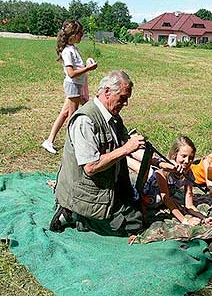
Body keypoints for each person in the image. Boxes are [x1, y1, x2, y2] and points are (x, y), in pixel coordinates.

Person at [49, 70, 146, 236]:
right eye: (123, 98)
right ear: (107, 92)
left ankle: (91, 214)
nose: (126, 104)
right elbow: (90, 167)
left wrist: (160, 163)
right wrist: (126, 149)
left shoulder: (112, 116)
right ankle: (75, 215)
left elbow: (130, 147)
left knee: (138, 209)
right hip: (87, 192)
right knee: (134, 224)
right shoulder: (85, 120)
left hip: (106, 184)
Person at [128, 136, 212, 226]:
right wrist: (185, 220)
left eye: (191, 157)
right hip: (142, 196)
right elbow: (166, 199)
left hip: (156, 203)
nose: (187, 161)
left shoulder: (189, 174)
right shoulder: (163, 172)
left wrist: (204, 218)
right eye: (183, 156)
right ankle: (127, 150)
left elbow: (189, 205)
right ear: (175, 155)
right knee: (144, 169)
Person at [42, 20, 98, 154]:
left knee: (65, 114)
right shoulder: (68, 51)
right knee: (72, 116)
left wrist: (87, 65)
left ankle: (49, 141)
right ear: (72, 35)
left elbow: (77, 68)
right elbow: (71, 73)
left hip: (76, 85)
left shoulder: (73, 49)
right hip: (73, 85)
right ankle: (71, 144)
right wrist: (88, 68)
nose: (82, 35)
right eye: (80, 33)